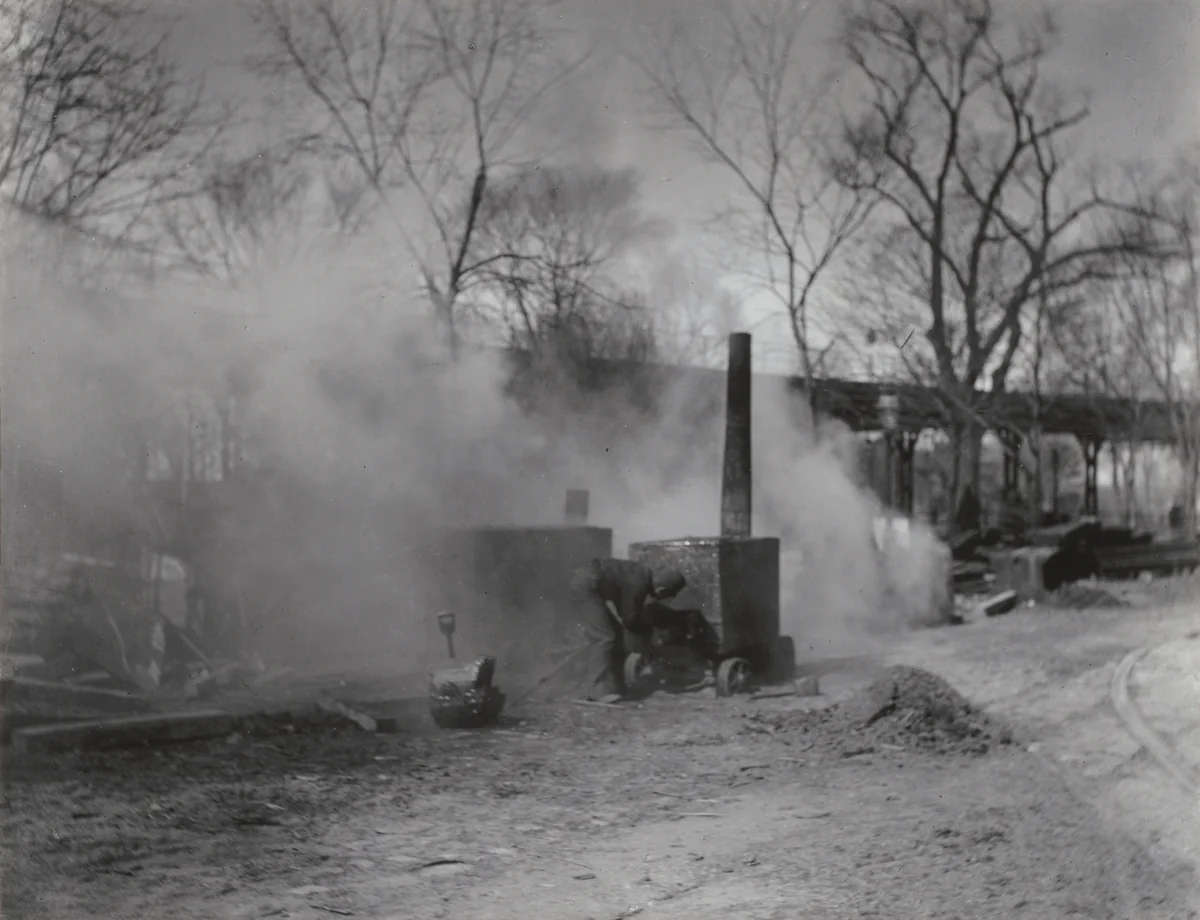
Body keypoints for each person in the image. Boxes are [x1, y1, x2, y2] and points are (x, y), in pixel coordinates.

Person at [568, 558, 687, 703]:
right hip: (586, 587)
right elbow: (630, 619)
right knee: (604, 637)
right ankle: (593, 691)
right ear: (661, 589)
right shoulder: (638, 582)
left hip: (590, 583)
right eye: (666, 596)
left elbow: (626, 612)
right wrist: (650, 631)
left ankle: (616, 686)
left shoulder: (641, 574)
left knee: (615, 633)